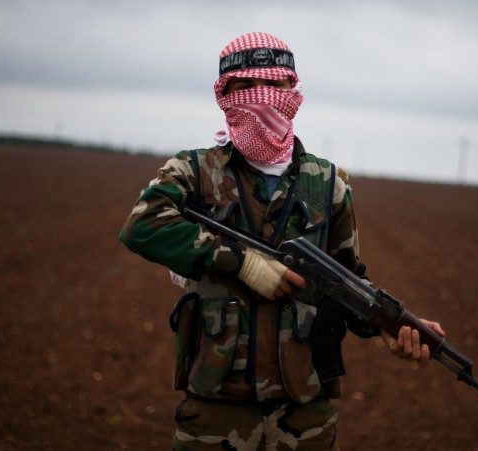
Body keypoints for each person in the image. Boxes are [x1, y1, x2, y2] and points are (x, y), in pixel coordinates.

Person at [119, 32, 445, 450]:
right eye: (245, 87)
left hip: (305, 417)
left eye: (273, 86)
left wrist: (393, 326)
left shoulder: (329, 185)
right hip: (216, 412)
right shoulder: (194, 170)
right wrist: (241, 263)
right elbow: (142, 226)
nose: (261, 99)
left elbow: (345, 279)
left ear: (293, 90)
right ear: (224, 94)